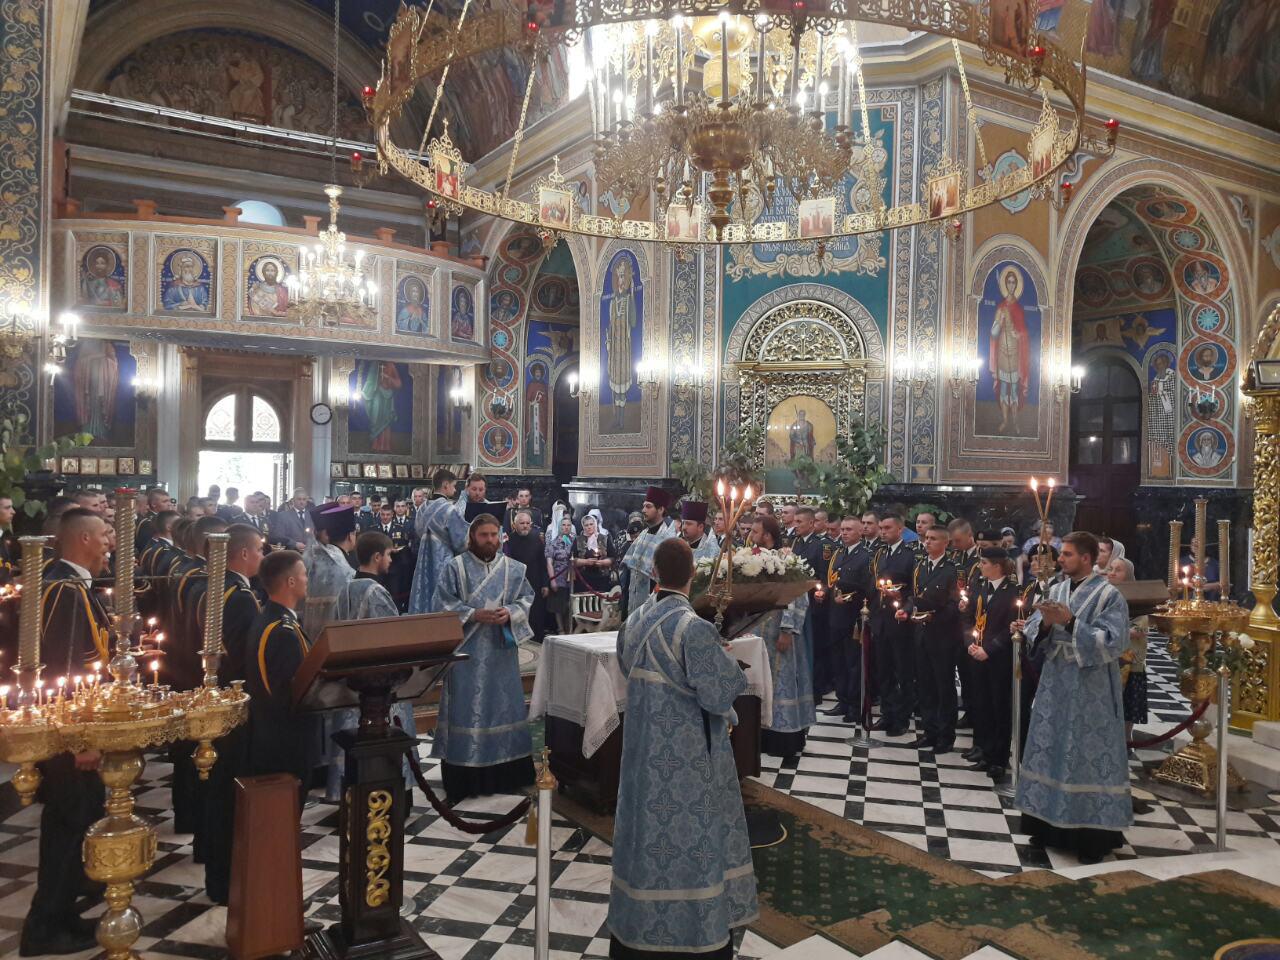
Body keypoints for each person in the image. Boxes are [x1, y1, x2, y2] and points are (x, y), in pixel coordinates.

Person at [608, 538, 757, 959]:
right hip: (688, 763)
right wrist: (725, 662)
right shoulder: (693, 628)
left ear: (654, 573)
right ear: (694, 574)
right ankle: (692, 935)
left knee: (644, 839)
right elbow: (719, 693)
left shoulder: (634, 621)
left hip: (642, 756)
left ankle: (637, 934)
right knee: (692, 841)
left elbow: (625, 666)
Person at [22, 510, 112, 956]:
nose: (109, 542)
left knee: (77, 819)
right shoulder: (65, 588)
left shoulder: (68, 583)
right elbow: (65, 670)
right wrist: (81, 740)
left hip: (73, 726)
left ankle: (64, 913)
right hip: (69, 732)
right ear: (83, 539)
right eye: (103, 535)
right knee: (67, 823)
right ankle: (44, 927)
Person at [1014, 532, 1132, 863]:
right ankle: (1045, 827)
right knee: (1051, 747)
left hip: (1090, 689)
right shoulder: (1055, 590)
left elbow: (1115, 641)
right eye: (1061, 554)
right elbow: (1035, 629)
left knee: (1085, 754)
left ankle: (1090, 838)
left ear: (1086, 558)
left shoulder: (1109, 596)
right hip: (1055, 685)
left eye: (1066, 554)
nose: (1060, 559)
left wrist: (1070, 622)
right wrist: (1043, 626)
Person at [432, 514, 536, 803]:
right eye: (483, 535)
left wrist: (510, 612)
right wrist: (473, 614)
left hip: (501, 653)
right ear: (472, 537)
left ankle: (507, 773)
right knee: (466, 709)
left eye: (493, 535)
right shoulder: (455, 568)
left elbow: (526, 598)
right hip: (466, 655)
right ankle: (465, 777)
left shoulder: (514, 569)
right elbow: (441, 604)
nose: (489, 540)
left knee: (503, 707)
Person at [202, 523, 264, 905]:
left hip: (214, 699)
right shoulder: (240, 596)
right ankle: (224, 878)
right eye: (259, 549)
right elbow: (243, 658)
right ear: (243, 553)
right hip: (232, 704)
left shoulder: (216, 587)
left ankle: (216, 869)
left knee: (218, 789)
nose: (262, 555)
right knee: (227, 792)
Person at [329, 531, 417, 794]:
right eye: (389, 555)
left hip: (353, 679)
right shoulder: (375, 591)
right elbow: (390, 638)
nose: (391, 560)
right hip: (379, 684)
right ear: (377, 556)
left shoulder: (347, 588)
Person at [243, 550, 318, 810]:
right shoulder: (282, 631)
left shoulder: (269, 618)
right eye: (304, 574)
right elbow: (290, 693)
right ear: (291, 582)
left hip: (270, 734)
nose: (307, 579)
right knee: (284, 814)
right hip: (286, 740)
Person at [752, 515, 813, 759]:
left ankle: (783, 738)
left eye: (755, 532)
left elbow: (797, 595)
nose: (751, 536)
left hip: (778, 632)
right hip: (757, 632)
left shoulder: (787, 559)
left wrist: (788, 629)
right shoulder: (751, 558)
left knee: (781, 683)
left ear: (767, 535)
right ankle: (760, 733)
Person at [964, 548, 1020, 783]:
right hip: (977, 653)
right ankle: (984, 751)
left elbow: (1011, 628)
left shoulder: (1013, 592)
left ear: (997, 566)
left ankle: (998, 758)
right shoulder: (979, 587)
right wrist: (970, 643)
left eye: (984, 562)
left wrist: (989, 649)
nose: (980, 566)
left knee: (999, 708)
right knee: (982, 704)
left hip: (998, 658)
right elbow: (968, 617)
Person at [903, 527, 960, 754]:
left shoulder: (952, 570)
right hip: (922, 634)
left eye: (933, 539)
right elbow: (914, 596)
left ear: (945, 543)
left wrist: (934, 617)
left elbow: (955, 605)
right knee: (925, 686)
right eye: (926, 538)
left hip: (943, 636)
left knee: (943, 687)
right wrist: (906, 610)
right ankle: (929, 731)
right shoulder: (920, 566)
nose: (927, 542)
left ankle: (945, 737)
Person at [870, 513, 916, 736]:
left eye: (887, 528)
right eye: (881, 528)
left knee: (902, 671)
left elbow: (915, 589)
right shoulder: (880, 553)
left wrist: (901, 597)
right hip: (881, 619)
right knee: (884, 670)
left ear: (900, 530)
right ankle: (887, 713)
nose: (883, 532)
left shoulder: (909, 555)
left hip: (899, 620)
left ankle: (901, 717)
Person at [826, 515, 872, 724]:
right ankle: (842, 700)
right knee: (838, 662)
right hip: (836, 615)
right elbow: (832, 581)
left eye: (849, 529)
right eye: (843, 529)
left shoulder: (866, 556)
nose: (844, 533)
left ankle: (854, 705)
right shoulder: (838, 553)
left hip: (854, 616)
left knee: (854, 663)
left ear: (860, 531)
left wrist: (848, 596)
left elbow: (866, 588)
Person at [409, 470, 470, 613]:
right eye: (454, 486)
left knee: (424, 592)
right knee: (444, 596)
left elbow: (418, 530)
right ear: (445, 485)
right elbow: (461, 543)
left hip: (423, 559)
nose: (455, 490)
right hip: (443, 559)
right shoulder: (449, 509)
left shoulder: (422, 508)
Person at [790, 507, 834, 701]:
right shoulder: (796, 543)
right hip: (798, 601)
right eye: (795, 521)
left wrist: (821, 590)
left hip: (814, 603)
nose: (796, 525)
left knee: (816, 647)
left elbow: (825, 575)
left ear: (811, 523)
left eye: (799, 522)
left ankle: (816, 690)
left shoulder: (821, 545)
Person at [1106, 557, 1149, 746]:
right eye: (1111, 568)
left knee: (1129, 703)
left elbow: (1139, 630)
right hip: (1107, 657)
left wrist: (1112, 630)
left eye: (1118, 570)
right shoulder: (1102, 595)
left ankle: (1126, 739)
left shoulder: (1138, 598)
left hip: (1131, 660)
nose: (1112, 573)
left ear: (1129, 574)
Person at [620, 486, 678, 621]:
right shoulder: (643, 534)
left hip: (653, 606)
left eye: (648, 506)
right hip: (633, 602)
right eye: (643, 506)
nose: (643, 510)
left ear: (661, 509)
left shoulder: (668, 540)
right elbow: (630, 569)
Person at [301, 504, 357, 640]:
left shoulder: (310, 558)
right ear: (350, 536)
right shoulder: (346, 568)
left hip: (308, 635)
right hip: (337, 638)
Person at [505, 508, 550, 641]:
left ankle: (538, 640)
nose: (525, 526)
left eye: (527, 523)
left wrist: (545, 584)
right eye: (522, 523)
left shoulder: (537, 539)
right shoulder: (509, 541)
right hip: (517, 584)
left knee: (537, 614)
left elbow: (543, 563)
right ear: (515, 525)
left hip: (535, 582)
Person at [544, 515, 575, 634]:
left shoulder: (574, 541)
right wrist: (552, 579)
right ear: (559, 527)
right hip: (559, 576)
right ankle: (560, 629)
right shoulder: (553, 543)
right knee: (558, 605)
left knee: (570, 604)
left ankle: (569, 628)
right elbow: (549, 563)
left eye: (568, 525)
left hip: (573, 577)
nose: (566, 527)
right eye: (563, 525)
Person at [572, 512, 617, 594]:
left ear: (595, 524)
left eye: (591, 524)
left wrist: (603, 562)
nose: (589, 527)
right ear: (583, 526)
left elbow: (613, 557)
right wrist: (585, 562)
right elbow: (572, 559)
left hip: (602, 578)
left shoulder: (604, 538)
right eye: (586, 525)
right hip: (583, 579)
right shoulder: (578, 540)